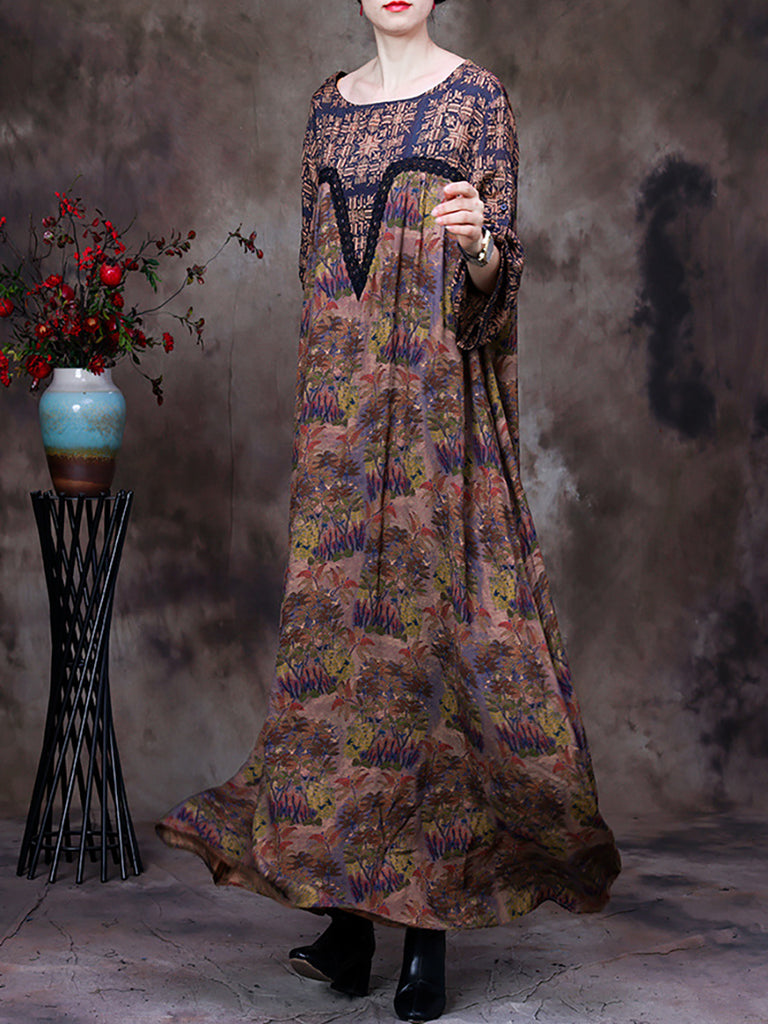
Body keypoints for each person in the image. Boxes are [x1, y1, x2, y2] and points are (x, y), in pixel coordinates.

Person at [157, 1, 622, 1021]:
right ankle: (348, 926)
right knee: (338, 670)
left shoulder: (477, 101)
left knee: (425, 666)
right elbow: (317, 286)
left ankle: (426, 934)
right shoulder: (326, 111)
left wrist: (483, 243)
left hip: (433, 426)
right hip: (341, 440)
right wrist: (320, 433)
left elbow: (498, 290)